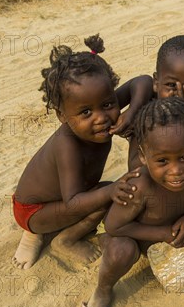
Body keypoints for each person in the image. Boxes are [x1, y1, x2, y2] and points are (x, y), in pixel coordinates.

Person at [78, 97, 184, 307]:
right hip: (129, 232)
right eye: (162, 161)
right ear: (143, 156)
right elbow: (114, 226)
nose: (176, 171)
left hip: (168, 225)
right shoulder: (139, 186)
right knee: (122, 251)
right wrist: (162, 233)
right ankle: (103, 290)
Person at [11, 34, 142, 270]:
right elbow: (73, 203)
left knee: (104, 193)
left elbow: (141, 82)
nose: (101, 117)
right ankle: (63, 239)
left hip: (61, 197)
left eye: (108, 105)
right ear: (63, 116)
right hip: (34, 210)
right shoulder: (67, 144)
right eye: (85, 113)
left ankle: (51, 228)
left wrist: (130, 114)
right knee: (106, 195)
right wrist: (110, 190)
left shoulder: (99, 104)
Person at [121, 35, 184, 195]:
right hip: (148, 192)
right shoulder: (147, 107)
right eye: (171, 85)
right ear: (156, 83)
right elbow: (135, 169)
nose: (181, 95)